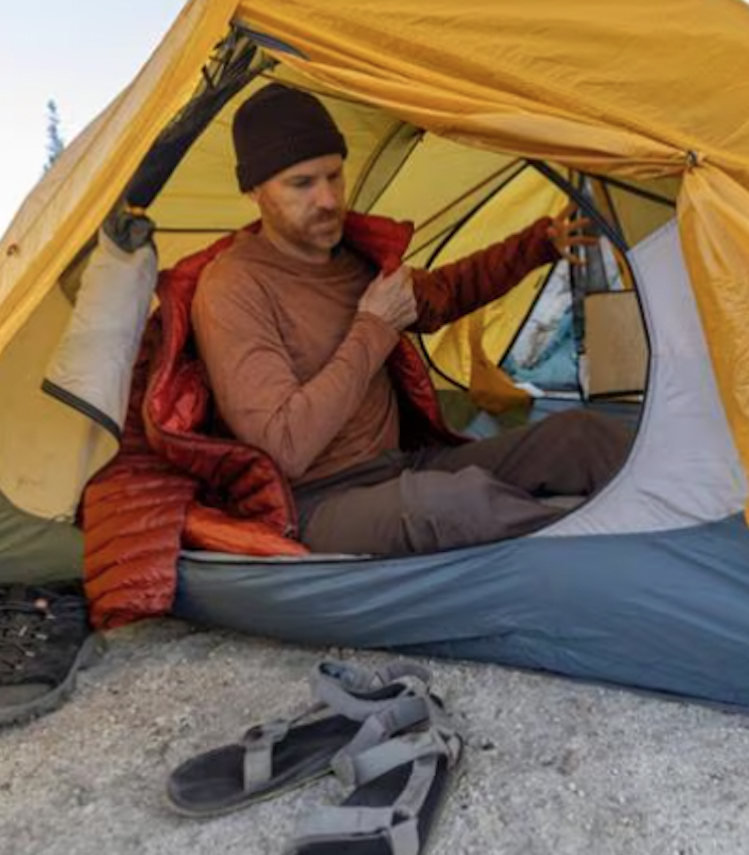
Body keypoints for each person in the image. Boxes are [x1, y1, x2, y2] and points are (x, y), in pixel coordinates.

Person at [192, 83, 632, 556]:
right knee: (454, 504)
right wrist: (374, 326)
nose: (327, 199)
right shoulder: (233, 288)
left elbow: (446, 294)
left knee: (581, 435)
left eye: (334, 176)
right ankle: (608, 552)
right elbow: (285, 447)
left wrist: (541, 242)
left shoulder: (354, 258)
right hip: (315, 500)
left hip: (402, 465)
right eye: (301, 184)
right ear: (254, 191)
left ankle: (688, 521)